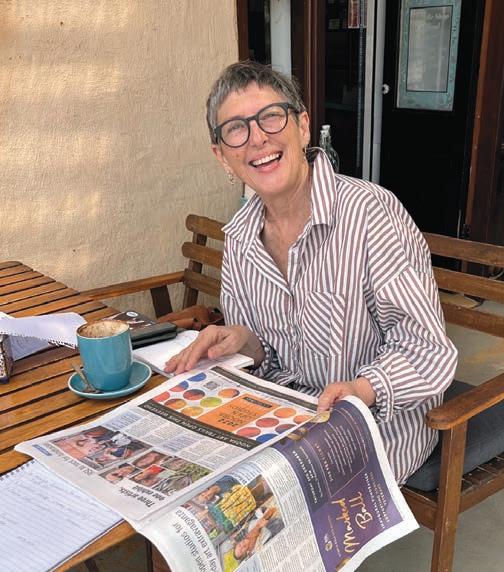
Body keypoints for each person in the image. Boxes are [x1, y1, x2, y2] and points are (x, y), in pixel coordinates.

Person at [164, 61, 457, 485]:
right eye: (236, 129)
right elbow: (272, 351)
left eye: (270, 117)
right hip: (284, 418)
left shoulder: (371, 214)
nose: (257, 138)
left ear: (302, 127)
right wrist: (245, 341)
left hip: (375, 426)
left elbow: (426, 348)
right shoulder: (240, 238)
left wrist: (361, 390)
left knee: (251, 503)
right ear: (222, 155)